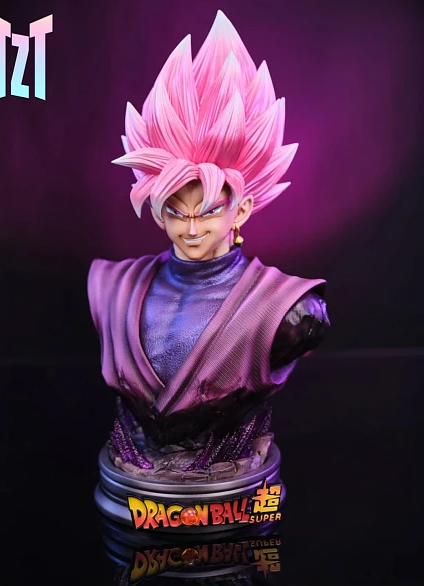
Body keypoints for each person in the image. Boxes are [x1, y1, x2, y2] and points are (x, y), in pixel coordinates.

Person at [88, 11, 330, 481]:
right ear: (156, 209)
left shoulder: (290, 310)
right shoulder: (110, 287)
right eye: (176, 211)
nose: (192, 228)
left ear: (241, 210)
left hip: (229, 488)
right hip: (135, 483)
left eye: (208, 211)